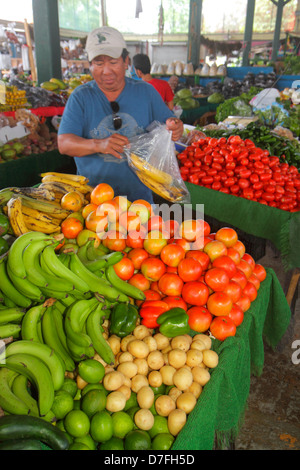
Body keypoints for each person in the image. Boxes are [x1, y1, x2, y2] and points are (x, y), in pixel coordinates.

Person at [57, 26, 183, 204]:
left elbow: (169, 122)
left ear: (126, 61)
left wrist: (175, 126)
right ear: (90, 65)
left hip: (139, 200)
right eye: (99, 63)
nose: (106, 70)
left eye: (113, 62)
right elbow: (64, 144)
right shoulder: (81, 97)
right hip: (93, 202)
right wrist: (99, 144)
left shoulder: (146, 92)